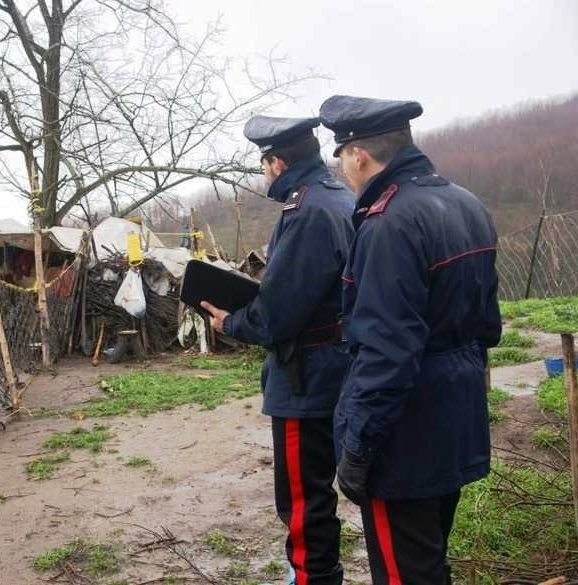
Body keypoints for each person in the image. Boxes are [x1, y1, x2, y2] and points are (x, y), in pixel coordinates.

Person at [319, 95, 502, 585]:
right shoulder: (466, 203)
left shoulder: (388, 223)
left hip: (405, 435)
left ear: (358, 153)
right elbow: (488, 325)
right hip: (456, 417)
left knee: (406, 573)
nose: (341, 171)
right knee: (428, 559)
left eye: (340, 158)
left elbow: (385, 351)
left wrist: (359, 445)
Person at [201, 115, 355, 585]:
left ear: (277, 161)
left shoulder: (305, 211)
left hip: (305, 375)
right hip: (340, 361)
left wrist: (231, 321)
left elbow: (279, 313)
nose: (265, 173)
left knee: (303, 494)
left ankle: (314, 578)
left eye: (264, 163)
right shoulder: (341, 198)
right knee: (321, 485)